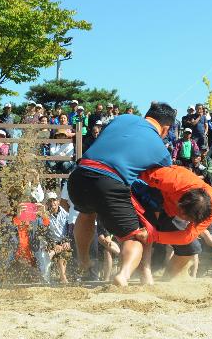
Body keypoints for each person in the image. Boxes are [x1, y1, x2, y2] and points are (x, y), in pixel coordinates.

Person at [67, 102, 176, 278]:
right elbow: (163, 184)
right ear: (166, 129)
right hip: (109, 181)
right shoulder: (162, 151)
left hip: (79, 174)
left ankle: (83, 260)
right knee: (134, 237)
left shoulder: (123, 118)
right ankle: (123, 275)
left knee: (86, 213)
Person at [119, 165, 212, 286]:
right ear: (182, 203)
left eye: (189, 220)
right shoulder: (173, 179)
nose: (185, 220)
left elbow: (186, 236)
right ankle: (143, 270)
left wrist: (154, 236)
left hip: (170, 210)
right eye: (184, 216)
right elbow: (135, 171)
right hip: (155, 192)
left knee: (192, 248)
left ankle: (170, 278)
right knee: (147, 221)